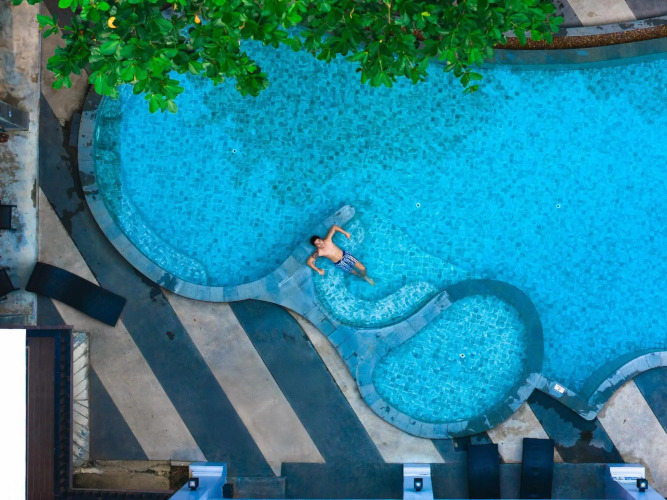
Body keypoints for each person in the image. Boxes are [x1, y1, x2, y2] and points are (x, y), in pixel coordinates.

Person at [307, 225, 375, 285]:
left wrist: (345, 233)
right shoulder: (319, 252)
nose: (320, 244)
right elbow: (309, 262)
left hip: (346, 256)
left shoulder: (328, 240)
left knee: (362, 268)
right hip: (340, 263)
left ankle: (365, 276)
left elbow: (334, 227)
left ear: (321, 239)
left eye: (319, 241)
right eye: (317, 244)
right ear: (316, 246)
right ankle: (365, 278)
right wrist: (318, 270)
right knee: (355, 272)